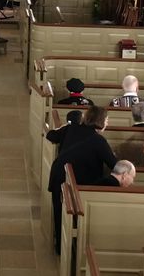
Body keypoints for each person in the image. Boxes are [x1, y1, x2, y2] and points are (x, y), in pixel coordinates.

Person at [47, 105, 117, 254]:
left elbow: (51, 136)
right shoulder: (98, 140)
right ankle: (69, 251)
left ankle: (60, 247)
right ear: (101, 121)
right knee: (74, 215)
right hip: (77, 181)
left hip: (58, 172)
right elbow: (114, 164)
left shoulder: (71, 129)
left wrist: (65, 127)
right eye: (107, 120)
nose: (108, 123)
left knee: (59, 211)